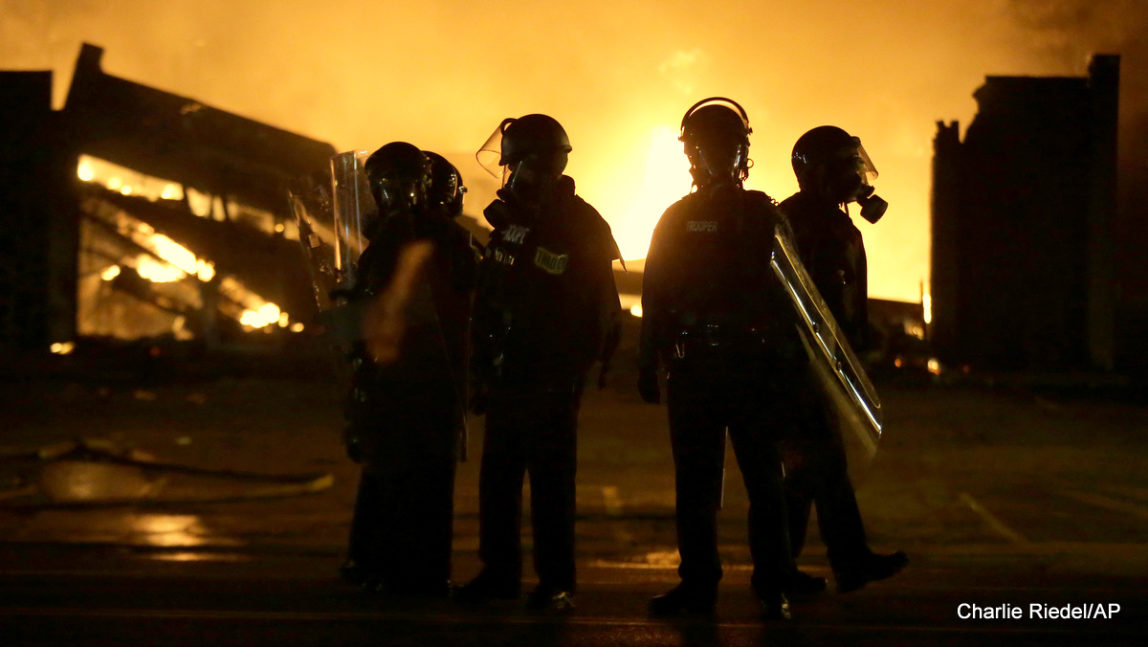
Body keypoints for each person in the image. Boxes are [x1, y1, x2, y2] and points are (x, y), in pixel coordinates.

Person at [638, 98, 802, 620]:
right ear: (690, 152)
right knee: (696, 486)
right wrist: (649, 358)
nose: (714, 157)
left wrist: (787, 368)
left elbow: (793, 297)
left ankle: (773, 584)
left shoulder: (761, 213)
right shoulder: (676, 218)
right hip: (694, 369)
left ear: (743, 151)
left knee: (764, 484)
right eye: (705, 147)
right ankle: (699, 585)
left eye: (726, 147)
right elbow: (655, 293)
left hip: (752, 366)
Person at [458, 114, 622, 611]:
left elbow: (601, 310)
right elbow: (492, 296)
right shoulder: (515, 221)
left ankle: (556, 581)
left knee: (551, 481)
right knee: (499, 478)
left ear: (533, 163)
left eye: (515, 164)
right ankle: (499, 572)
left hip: (549, 373)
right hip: (508, 370)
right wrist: (482, 361)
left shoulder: (580, 224)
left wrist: (572, 369)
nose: (508, 175)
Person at [340, 142, 477, 597]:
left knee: (409, 475)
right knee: (408, 476)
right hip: (416, 378)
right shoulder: (422, 238)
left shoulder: (430, 239)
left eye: (402, 184)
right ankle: (399, 569)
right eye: (387, 186)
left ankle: (392, 568)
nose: (394, 194)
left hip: (422, 376)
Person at [779, 125, 907, 593]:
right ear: (820, 173)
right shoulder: (795, 223)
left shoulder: (834, 224)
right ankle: (799, 569)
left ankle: (813, 565)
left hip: (824, 366)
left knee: (815, 470)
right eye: (847, 165)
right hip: (798, 368)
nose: (857, 175)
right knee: (811, 469)